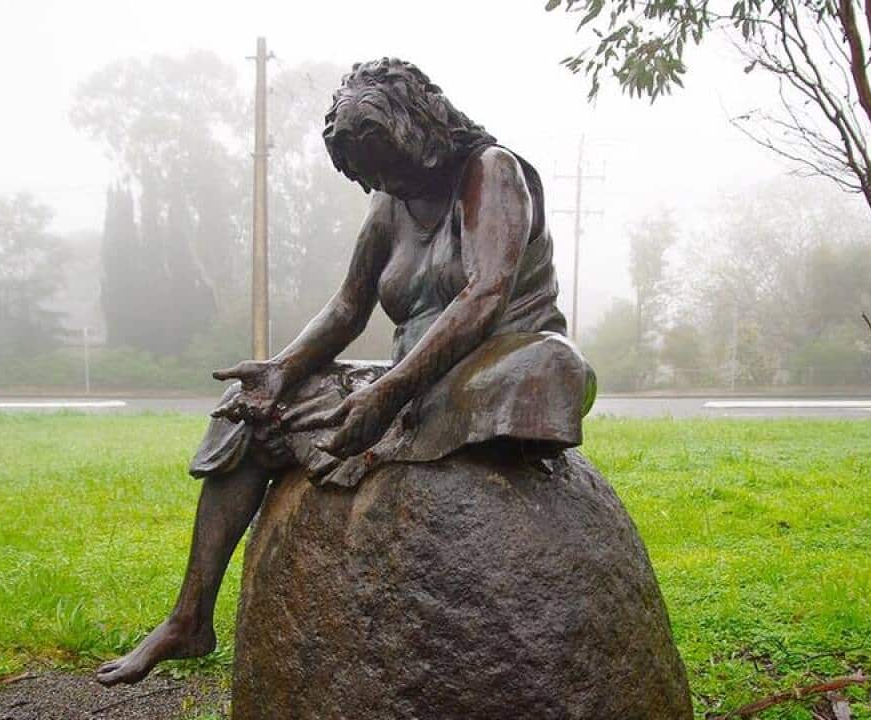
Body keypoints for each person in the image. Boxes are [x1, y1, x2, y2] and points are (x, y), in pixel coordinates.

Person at [96, 57, 595, 687]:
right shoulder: (390, 204)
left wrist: (386, 393)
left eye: (387, 166)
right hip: (412, 378)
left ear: (420, 129)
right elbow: (347, 306)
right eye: (367, 174)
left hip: (497, 362)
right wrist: (281, 370)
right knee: (250, 411)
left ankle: (418, 416)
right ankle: (189, 617)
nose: (379, 184)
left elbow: (486, 294)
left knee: (551, 368)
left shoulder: (491, 172)